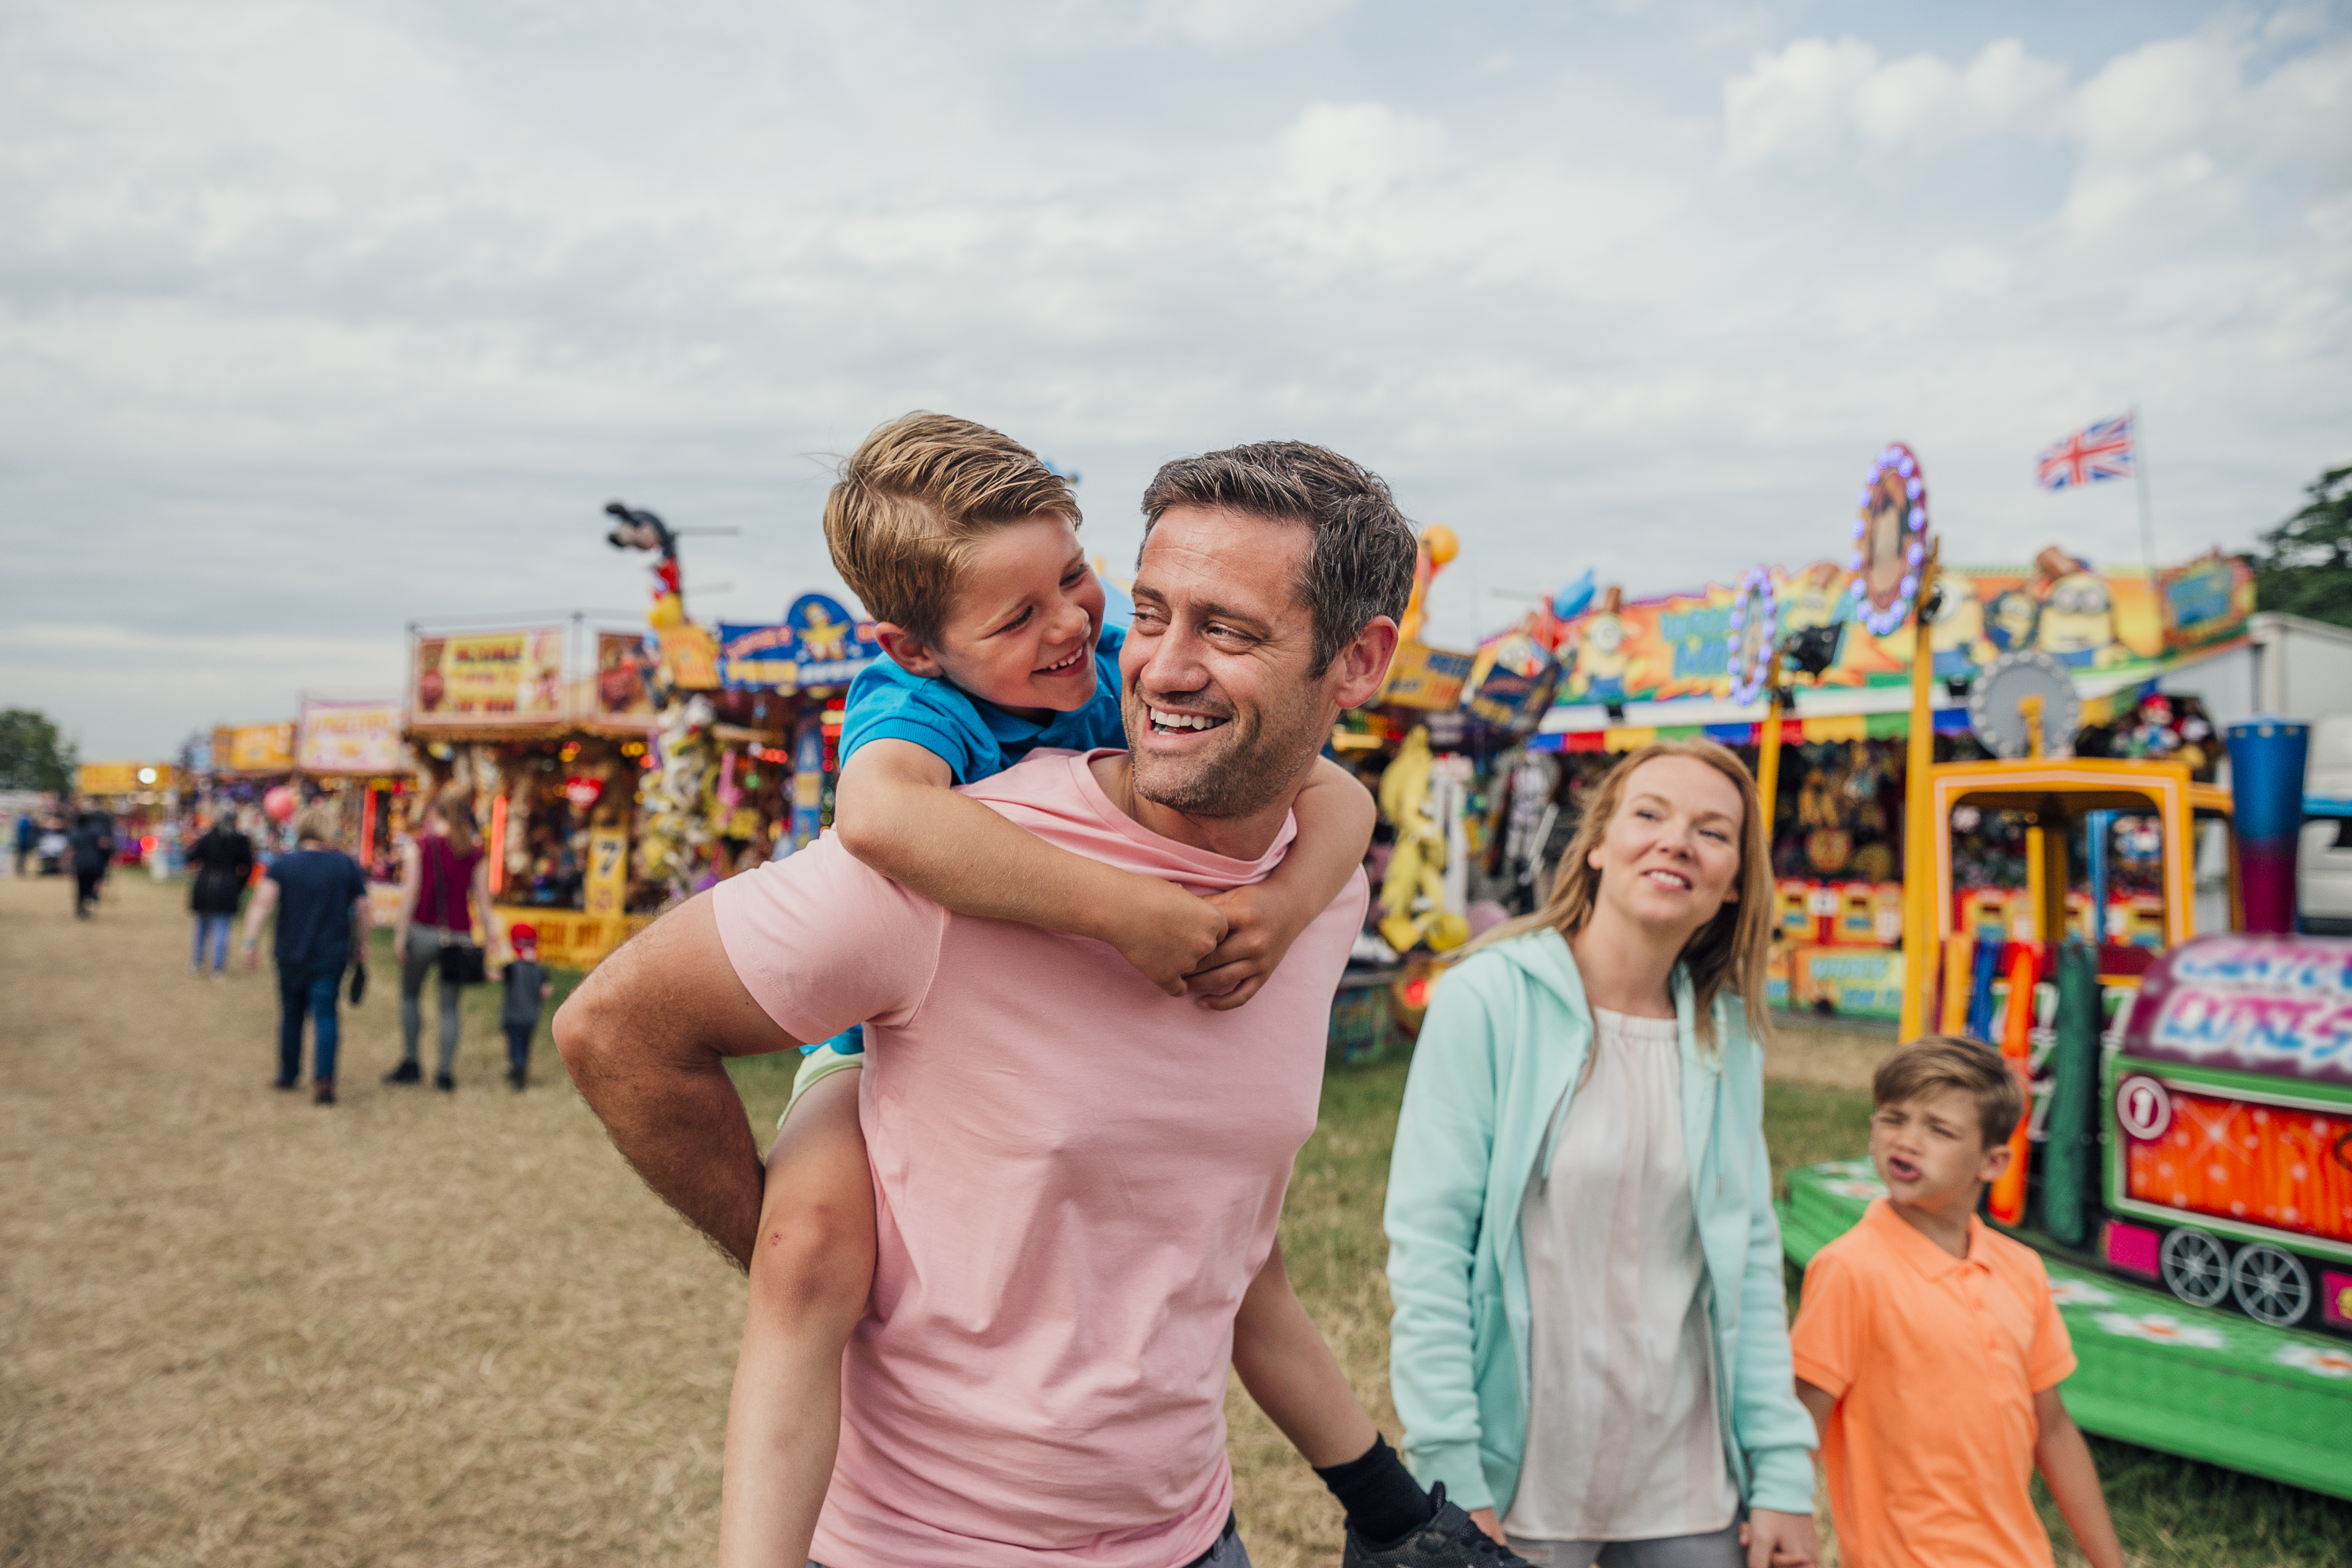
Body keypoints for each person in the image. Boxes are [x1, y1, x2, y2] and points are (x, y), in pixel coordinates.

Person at [558, 438, 1523, 1568]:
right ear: (915, 645)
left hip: (1189, 1538)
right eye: (1153, 613)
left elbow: (1229, 1247)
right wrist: (1123, 912)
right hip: (918, 1534)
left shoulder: (1283, 857)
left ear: (1356, 662)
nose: (1124, 651)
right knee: (808, 1248)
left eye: (1221, 626)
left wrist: (1385, 1501)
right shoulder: (922, 797)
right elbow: (636, 1008)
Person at [1384, 740, 1821, 1568]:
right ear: (1595, 843)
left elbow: (1750, 1259)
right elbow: (1430, 1248)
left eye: (1712, 830)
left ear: (1733, 882)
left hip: (1685, 1480)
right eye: (1649, 814)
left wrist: (1781, 1475)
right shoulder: (1488, 997)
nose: (1676, 841)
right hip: (1522, 1481)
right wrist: (1450, 1471)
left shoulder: (1724, 1035)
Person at [1787, 1037, 2123, 1568]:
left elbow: (2053, 1428)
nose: (1908, 1141)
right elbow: (1799, 1425)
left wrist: (2110, 1562)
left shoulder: (2022, 1269)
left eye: (1939, 1129)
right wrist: (1786, 1529)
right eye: (1893, 1118)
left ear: (1993, 1162)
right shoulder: (1850, 1270)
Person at [240, 804, 370, 1105]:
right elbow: (364, 910)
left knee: (291, 1014)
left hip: (290, 952)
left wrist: (250, 941)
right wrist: (362, 944)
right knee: (326, 1014)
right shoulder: (345, 866)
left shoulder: (284, 864)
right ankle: (325, 1078)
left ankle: (288, 1073)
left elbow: (262, 903)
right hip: (332, 953)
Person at [388, 789, 488, 1091]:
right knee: (449, 1007)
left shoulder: (421, 847)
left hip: (422, 931)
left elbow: (411, 893)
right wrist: (492, 938)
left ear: (435, 813)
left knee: (409, 996)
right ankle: (444, 1073)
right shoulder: (474, 853)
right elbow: (483, 901)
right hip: (458, 936)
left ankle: (412, 1062)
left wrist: (400, 932)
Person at [185, 812, 256, 976]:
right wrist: (239, 885)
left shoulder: (209, 838)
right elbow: (248, 866)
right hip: (227, 886)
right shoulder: (240, 841)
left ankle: (197, 962)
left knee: (202, 926)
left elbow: (191, 857)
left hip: (205, 884)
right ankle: (218, 967)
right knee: (222, 927)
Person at [499, 921, 552, 1091]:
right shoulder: (540, 970)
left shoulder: (512, 968)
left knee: (515, 1044)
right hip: (531, 1017)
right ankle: (520, 1066)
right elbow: (546, 992)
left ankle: (517, 1069)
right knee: (525, 1045)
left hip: (513, 1016)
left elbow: (496, 976)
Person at [68, 809, 114, 918]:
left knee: (81, 886)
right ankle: (89, 903)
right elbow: (104, 844)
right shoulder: (96, 832)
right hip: (94, 864)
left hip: (79, 864)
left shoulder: (76, 833)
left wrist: (66, 864)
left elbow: (71, 850)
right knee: (91, 885)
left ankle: (80, 906)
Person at [13, 810, 35, 877]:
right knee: (22, 857)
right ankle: (20, 871)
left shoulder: (20, 820)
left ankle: (20, 870)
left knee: (21, 857)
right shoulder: (25, 821)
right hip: (23, 842)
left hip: (22, 842)